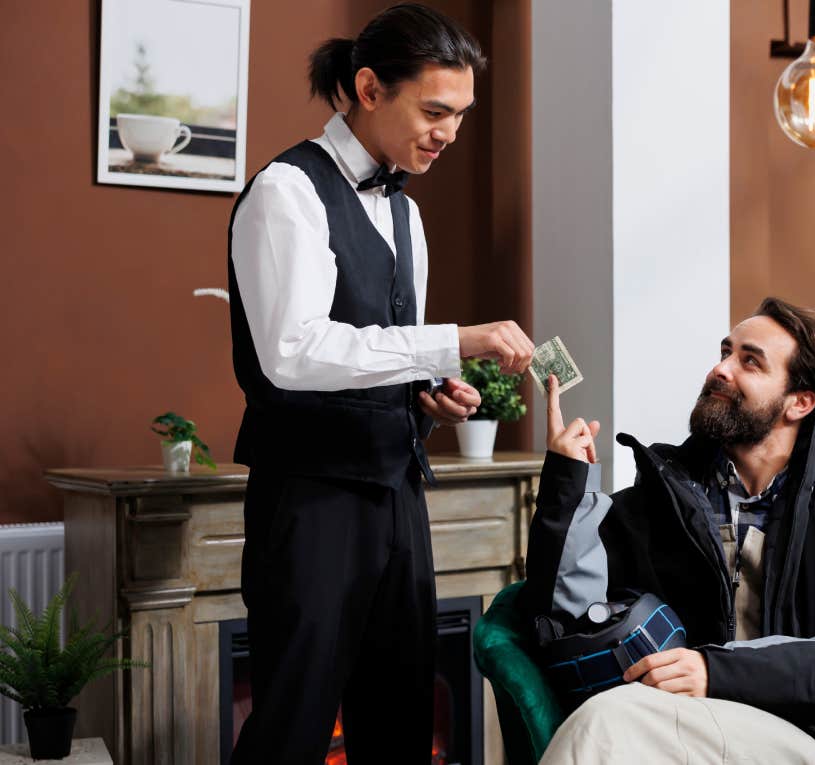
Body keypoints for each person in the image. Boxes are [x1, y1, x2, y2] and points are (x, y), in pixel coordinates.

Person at [226, 5, 533, 763]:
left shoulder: (407, 215)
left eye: (460, 117)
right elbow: (292, 352)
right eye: (434, 111)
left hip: (399, 494)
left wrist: (430, 389)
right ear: (367, 86)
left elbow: (378, 351)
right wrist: (454, 341)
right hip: (310, 501)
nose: (449, 134)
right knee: (292, 730)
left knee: (398, 721)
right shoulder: (285, 192)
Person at [521, 297, 815, 765]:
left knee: (606, 721)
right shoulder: (663, 499)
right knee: (610, 719)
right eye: (725, 353)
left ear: (800, 402)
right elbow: (565, 615)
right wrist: (568, 484)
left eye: (749, 361)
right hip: (684, 731)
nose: (722, 369)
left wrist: (716, 671)